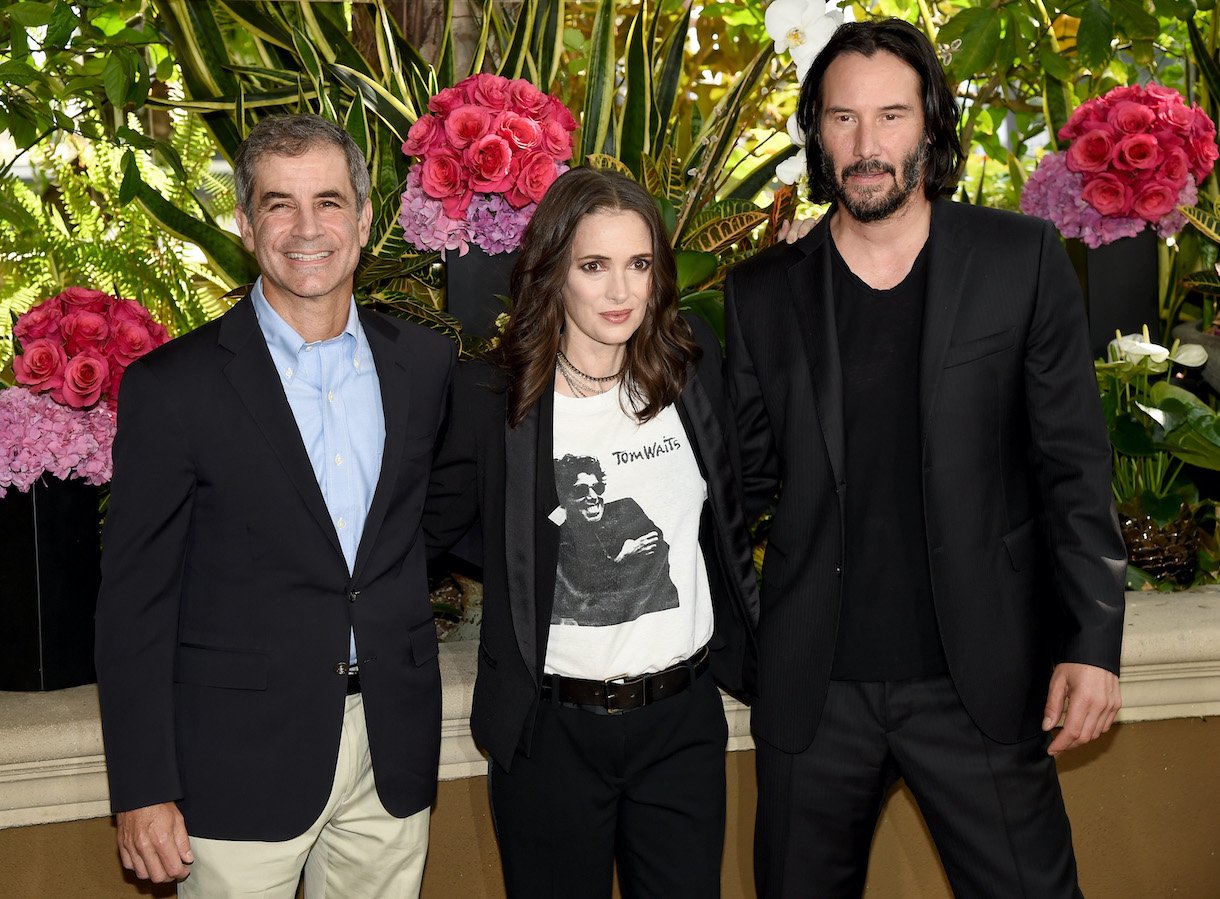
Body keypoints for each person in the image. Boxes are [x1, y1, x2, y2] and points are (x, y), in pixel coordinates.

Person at [725, 19, 1127, 898]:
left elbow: (1074, 467)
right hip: (814, 699)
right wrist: (756, 646)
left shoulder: (1018, 260)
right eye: (843, 119)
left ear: (931, 126)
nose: (867, 145)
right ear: (817, 133)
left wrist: (1093, 643)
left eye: (892, 116)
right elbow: (733, 491)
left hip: (981, 683)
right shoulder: (761, 293)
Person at [94, 114, 455, 897]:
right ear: (245, 222)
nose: (306, 227)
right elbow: (134, 603)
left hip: (389, 750)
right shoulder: (173, 388)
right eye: (278, 204)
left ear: (363, 219)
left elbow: (434, 528)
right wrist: (142, 784)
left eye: (328, 201)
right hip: (235, 763)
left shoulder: (424, 365)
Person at [425, 167, 759, 897]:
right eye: (594, 266)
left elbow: (737, 493)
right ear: (552, 273)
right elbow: (440, 531)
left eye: (639, 265)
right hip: (553, 736)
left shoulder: (689, 362)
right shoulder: (491, 398)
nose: (620, 292)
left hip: (682, 723)